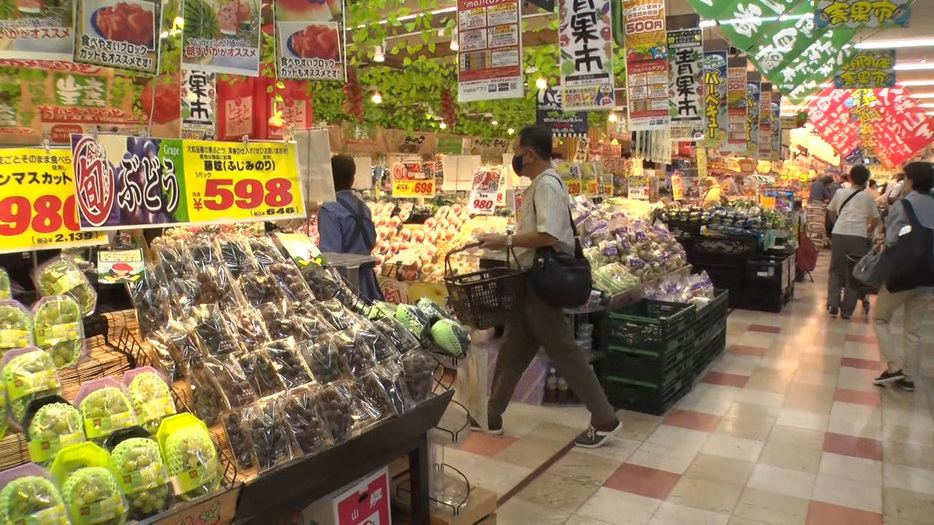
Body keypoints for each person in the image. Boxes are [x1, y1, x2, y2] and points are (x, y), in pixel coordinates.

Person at [476, 126, 621, 448]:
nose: (514, 158)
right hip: (530, 280)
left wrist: (506, 239)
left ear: (529, 154)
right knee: (514, 349)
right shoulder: (540, 185)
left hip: (543, 281)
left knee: (564, 351)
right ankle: (492, 413)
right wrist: (501, 244)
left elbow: (550, 235)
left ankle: (604, 417)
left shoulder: (547, 186)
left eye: (517, 151)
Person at [872, 162, 934, 392]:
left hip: (903, 274)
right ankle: (908, 377)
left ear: (912, 181)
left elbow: (893, 241)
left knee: (880, 319)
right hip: (928, 276)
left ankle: (894, 366)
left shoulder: (904, 205)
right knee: (913, 329)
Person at [317, 154, 383, 301]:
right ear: (352, 179)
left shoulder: (329, 210)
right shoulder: (362, 207)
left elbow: (330, 255)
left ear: (329, 178)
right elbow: (371, 240)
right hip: (368, 282)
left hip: (346, 285)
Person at [826, 165, 880, 319]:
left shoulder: (840, 192)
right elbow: (876, 219)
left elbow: (830, 212)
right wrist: (868, 230)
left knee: (836, 269)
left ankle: (833, 305)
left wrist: (838, 223)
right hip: (858, 237)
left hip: (839, 234)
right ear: (866, 180)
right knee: (854, 272)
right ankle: (848, 311)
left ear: (850, 177)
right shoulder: (868, 197)